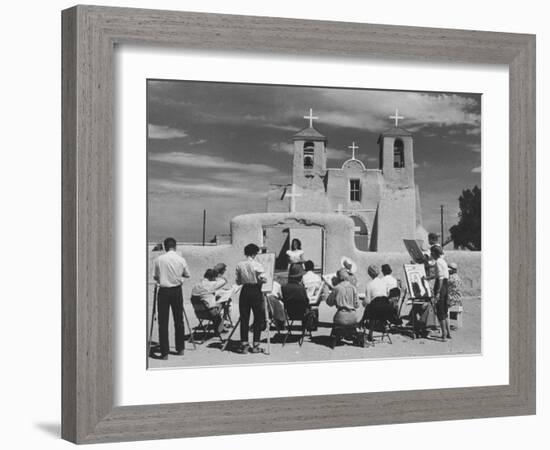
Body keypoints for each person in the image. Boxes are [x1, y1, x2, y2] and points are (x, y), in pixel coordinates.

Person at [152, 237, 190, 360]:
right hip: (177, 291)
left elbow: (156, 276)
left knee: (163, 322)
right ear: (175, 246)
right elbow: (187, 274)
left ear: (164, 246)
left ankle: (164, 352)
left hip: (163, 291)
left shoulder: (159, 259)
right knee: (178, 320)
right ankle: (180, 349)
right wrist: (178, 276)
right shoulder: (181, 259)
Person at [235, 243, 267, 354]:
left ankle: (244, 344)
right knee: (257, 318)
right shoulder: (258, 265)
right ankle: (255, 345)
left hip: (244, 291)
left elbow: (238, 281)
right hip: (255, 290)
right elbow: (263, 279)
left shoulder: (240, 264)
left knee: (244, 318)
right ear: (254, 253)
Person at [363, 265, 402, 341]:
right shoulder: (384, 283)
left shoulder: (369, 284)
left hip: (376, 311)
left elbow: (367, 301)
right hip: (386, 310)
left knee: (369, 307)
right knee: (375, 306)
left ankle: (369, 332)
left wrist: (363, 303)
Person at [190, 269, 228, 336]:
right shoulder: (211, 284)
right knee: (225, 302)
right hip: (210, 313)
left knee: (210, 305)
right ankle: (220, 327)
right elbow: (225, 281)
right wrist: (220, 275)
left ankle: (219, 327)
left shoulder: (197, 285)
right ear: (213, 277)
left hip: (199, 312)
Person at [281, 265, 318, 332]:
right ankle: (307, 329)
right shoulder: (301, 288)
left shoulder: (284, 287)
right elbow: (306, 302)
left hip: (289, 313)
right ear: (299, 277)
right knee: (312, 310)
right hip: (301, 314)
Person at [431, 245, 451, 341]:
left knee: (440, 312)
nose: (430, 254)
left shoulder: (438, 262)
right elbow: (439, 275)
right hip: (445, 286)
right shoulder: (443, 261)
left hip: (441, 287)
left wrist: (438, 292)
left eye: (431, 253)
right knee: (445, 311)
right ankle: (448, 333)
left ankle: (443, 335)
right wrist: (428, 278)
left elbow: (440, 278)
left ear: (434, 253)